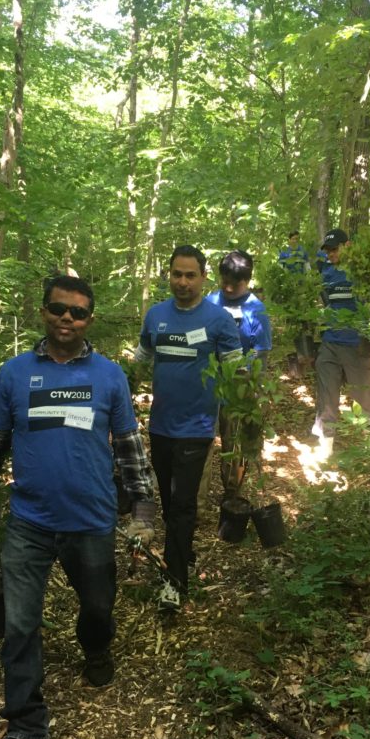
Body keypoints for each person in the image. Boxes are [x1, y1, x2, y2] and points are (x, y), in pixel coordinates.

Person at [0, 274, 156, 739]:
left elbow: (130, 447)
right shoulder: (15, 374)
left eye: (79, 312)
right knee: (20, 625)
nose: (67, 318)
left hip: (91, 521)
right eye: (58, 309)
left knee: (97, 608)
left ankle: (97, 647)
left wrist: (142, 512)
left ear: (90, 319)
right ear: (43, 311)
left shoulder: (110, 376)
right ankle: (25, 729)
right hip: (29, 523)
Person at [135, 245, 243, 611]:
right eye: (177, 274)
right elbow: (142, 359)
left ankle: (174, 582)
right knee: (168, 501)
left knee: (182, 504)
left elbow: (235, 371)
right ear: (169, 275)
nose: (183, 282)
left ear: (203, 277)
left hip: (196, 427)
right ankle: (184, 553)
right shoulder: (155, 316)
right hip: (161, 425)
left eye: (190, 275)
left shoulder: (218, 320)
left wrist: (241, 416)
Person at [204, 250, 272, 496]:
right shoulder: (210, 303)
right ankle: (197, 500)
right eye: (225, 282)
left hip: (241, 388)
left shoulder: (256, 310)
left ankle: (234, 494)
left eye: (236, 284)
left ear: (248, 280)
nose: (229, 288)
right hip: (210, 385)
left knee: (237, 445)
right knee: (204, 442)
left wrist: (245, 382)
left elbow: (260, 351)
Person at [312, 229, 370, 457]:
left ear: (347, 245)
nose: (331, 254)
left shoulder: (362, 272)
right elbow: (325, 302)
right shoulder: (326, 273)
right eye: (328, 250)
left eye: (335, 249)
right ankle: (326, 448)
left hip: (356, 345)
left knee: (363, 398)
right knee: (327, 399)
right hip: (330, 343)